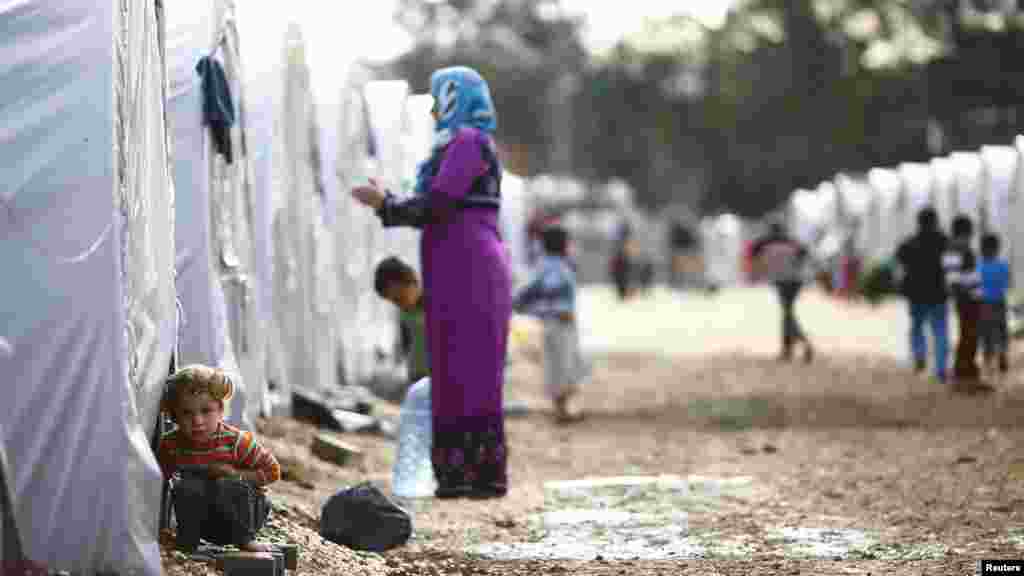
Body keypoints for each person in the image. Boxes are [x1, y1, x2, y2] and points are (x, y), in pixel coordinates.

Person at [351, 66, 510, 499]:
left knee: (468, 366)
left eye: (442, 98)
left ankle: (475, 473)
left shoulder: (468, 143)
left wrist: (387, 204)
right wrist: (392, 202)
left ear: (458, 98)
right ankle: (464, 474)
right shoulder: (456, 145)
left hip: (471, 268)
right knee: (455, 364)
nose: (436, 108)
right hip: (456, 266)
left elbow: (438, 203)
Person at [157, 364, 281, 552]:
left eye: (206, 411)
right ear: (174, 417)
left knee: (227, 484)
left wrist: (237, 474)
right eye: (187, 413)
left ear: (221, 410)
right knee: (187, 486)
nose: (197, 421)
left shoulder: (236, 441)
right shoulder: (172, 445)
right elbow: (158, 482)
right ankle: (188, 541)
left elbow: (273, 471)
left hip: (244, 516)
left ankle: (246, 541)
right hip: (206, 525)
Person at [513, 225, 587, 424]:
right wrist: (548, 310)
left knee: (567, 364)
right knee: (560, 365)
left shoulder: (555, 264)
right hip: (557, 323)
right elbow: (539, 290)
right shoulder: (552, 267)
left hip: (563, 324)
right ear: (562, 244)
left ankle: (563, 408)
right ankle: (560, 411)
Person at [893, 208, 950, 382]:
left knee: (917, 327)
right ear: (936, 221)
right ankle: (940, 368)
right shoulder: (944, 242)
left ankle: (920, 356)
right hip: (938, 293)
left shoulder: (909, 243)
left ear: (919, 222)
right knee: (940, 330)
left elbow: (899, 260)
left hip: (916, 293)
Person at [750, 220, 816, 363]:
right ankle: (787, 350)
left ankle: (804, 343)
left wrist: (762, 268)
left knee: (787, 314)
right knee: (787, 313)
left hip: (782, 281)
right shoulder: (790, 242)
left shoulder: (764, 243)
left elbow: (752, 254)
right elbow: (805, 254)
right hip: (795, 280)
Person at [943, 214, 991, 392]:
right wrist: (968, 295)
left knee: (970, 336)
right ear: (961, 233)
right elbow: (953, 280)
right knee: (968, 335)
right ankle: (963, 375)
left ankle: (968, 373)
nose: (970, 237)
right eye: (968, 234)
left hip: (971, 299)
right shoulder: (954, 250)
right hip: (966, 300)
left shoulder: (962, 249)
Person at [374, 256, 429, 385]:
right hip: (417, 378)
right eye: (395, 302)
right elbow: (406, 346)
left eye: (400, 298)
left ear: (412, 281)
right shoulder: (403, 313)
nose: (401, 306)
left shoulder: (439, 305)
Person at [978, 233, 1010, 378]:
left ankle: (988, 361)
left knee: (986, 333)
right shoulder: (1003, 265)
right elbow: (1007, 283)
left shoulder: (978, 266)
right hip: (999, 302)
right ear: (997, 248)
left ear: (982, 248)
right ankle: (1002, 352)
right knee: (1001, 329)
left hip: (983, 303)